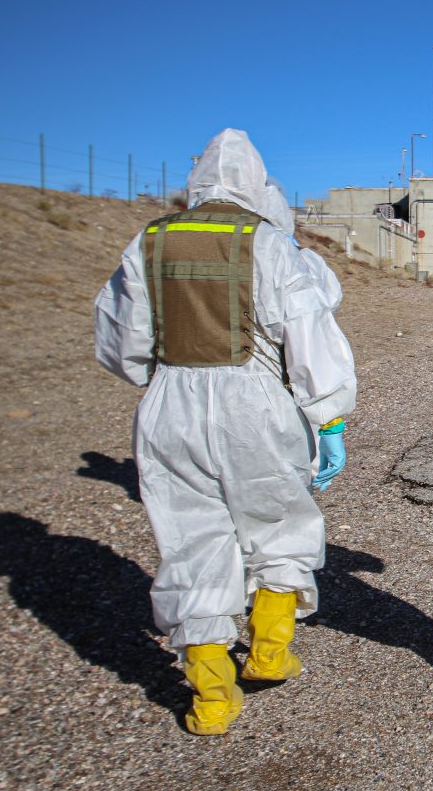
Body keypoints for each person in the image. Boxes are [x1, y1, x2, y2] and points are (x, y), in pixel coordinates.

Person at [94, 129, 356, 735]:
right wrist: (329, 416)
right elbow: (310, 337)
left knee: (189, 541)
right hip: (254, 402)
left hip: (171, 403)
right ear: (253, 183)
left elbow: (122, 342)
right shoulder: (267, 243)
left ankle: (211, 695)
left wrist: (154, 377)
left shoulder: (148, 242)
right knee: (279, 521)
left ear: (197, 183)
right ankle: (269, 647)